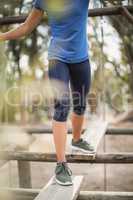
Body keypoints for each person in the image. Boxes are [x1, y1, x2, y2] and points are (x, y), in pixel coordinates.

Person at [0, 0, 94, 186]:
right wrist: (2, 36)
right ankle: (61, 164)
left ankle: (76, 139)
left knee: (81, 101)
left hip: (81, 58)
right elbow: (27, 26)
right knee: (62, 105)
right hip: (57, 57)